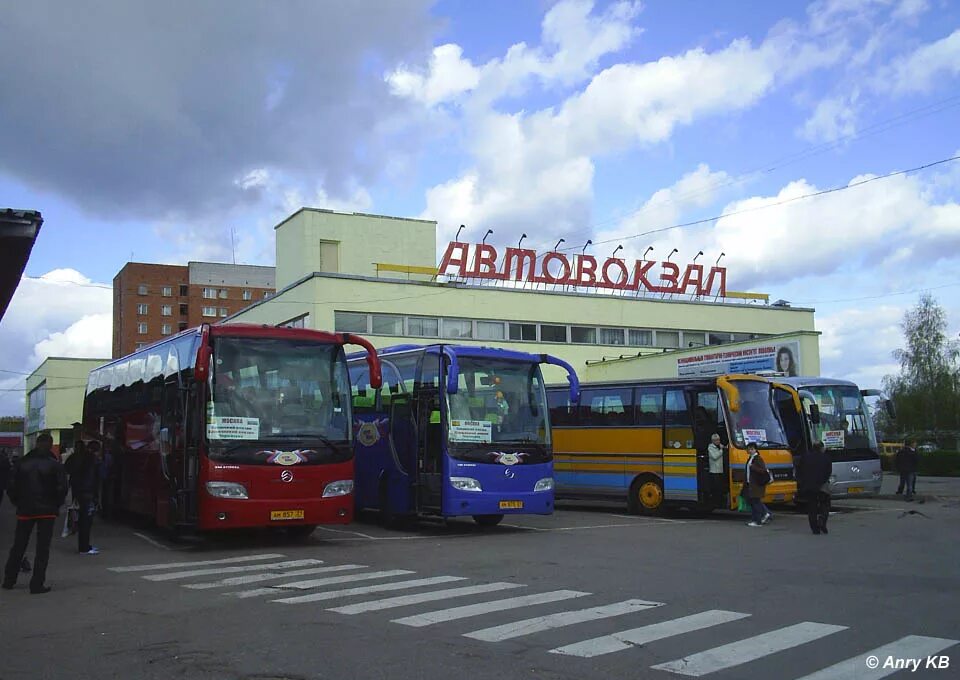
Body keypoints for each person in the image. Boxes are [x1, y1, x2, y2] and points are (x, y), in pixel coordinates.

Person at [2, 433, 68, 593]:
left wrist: (18, 502)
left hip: (25, 509)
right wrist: (56, 504)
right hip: (47, 511)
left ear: (36, 444)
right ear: (50, 444)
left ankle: (9, 580)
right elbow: (62, 488)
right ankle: (37, 584)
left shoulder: (22, 463)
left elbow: (11, 486)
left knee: (19, 545)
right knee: (42, 549)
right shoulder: (54, 464)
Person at [65, 439, 101, 555]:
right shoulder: (92, 460)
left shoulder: (76, 458)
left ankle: (84, 546)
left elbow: (67, 470)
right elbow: (98, 477)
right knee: (86, 521)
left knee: (83, 520)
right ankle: (84, 548)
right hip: (88, 493)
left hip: (79, 492)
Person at [799, 441, 833, 534]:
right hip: (822, 486)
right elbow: (828, 472)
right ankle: (822, 520)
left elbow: (800, 471)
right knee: (825, 505)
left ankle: (815, 528)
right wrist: (822, 481)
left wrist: (803, 483)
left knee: (812, 508)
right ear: (822, 448)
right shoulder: (826, 457)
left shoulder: (805, 457)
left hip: (809, 487)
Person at [744, 443, 772, 527]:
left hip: (756, 484)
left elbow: (762, 470)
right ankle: (756, 518)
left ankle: (758, 520)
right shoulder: (751, 458)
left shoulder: (758, 458)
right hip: (751, 484)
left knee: (755, 502)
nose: (750, 451)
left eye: (752, 449)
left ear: (756, 449)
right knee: (753, 502)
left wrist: (753, 467)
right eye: (749, 449)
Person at [707, 434, 727, 506]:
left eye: (718, 439)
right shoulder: (710, 447)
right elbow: (714, 457)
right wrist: (722, 450)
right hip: (714, 471)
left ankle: (720, 501)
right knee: (716, 488)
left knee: (721, 487)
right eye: (716, 440)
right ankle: (716, 502)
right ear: (712, 441)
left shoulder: (720, 446)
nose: (717, 441)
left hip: (721, 470)